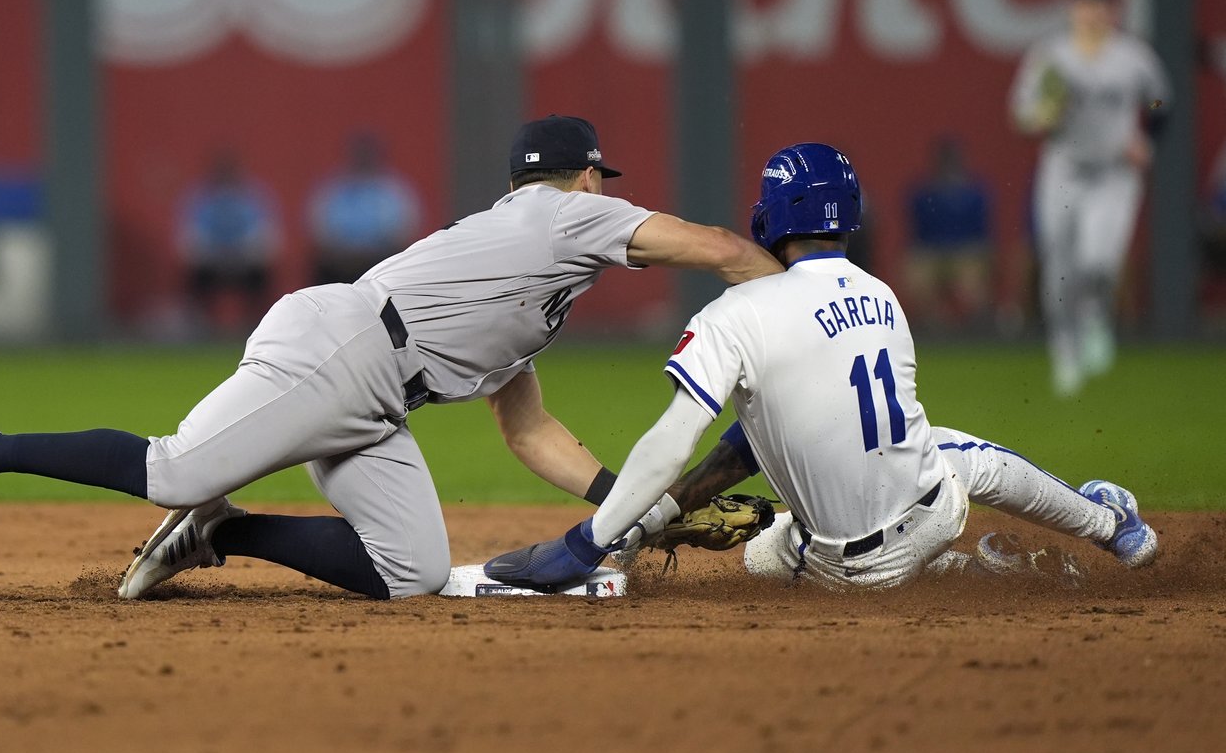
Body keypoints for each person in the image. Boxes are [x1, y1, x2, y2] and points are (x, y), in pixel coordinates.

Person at [0, 115, 782, 600]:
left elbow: (531, 429)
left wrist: (631, 505)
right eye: (597, 179)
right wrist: (795, 289)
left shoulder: (526, 278)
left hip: (378, 395)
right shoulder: (565, 215)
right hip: (342, 348)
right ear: (587, 176)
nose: (601, 195)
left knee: (409, 575)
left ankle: (222, 533)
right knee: (175, 466)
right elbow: (709, 243)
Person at [485, 143, 1157, 593]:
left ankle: (978, 563)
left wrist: (623, 527)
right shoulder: (883, 295)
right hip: (927, 516)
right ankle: (1111, 524)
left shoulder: (735, 311)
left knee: (765, 543)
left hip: (828, 569)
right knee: (952, 450)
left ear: (769, 214)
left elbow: (682, 437)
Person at [1009, 0, 1171, 397]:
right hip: (1064, 168)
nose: (1092, 11)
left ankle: (1096, 314)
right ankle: (1064, 350)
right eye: (1084, 3)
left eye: (1099, 3)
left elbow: (1159, 99)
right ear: (1071, 8)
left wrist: (1146, 139)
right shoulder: (1052, 56)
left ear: (1113, 9)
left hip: (1115, 173)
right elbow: (1023, 112)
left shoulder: (1132, 57)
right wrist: (1041, 114)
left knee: (1099, 262)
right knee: (1058, 266)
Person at [177, 152, 280, 330]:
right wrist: (216, 254)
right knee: (195, 277)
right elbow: (190, 236)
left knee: (261, 276)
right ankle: (200, 326)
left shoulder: (253, 198)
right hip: (211, 261)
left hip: (245, 260)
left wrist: (240, 254)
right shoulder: (200, 199)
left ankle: (257, 326)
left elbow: (265, 234)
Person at [308, 133, 421, 285]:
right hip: (341, 262)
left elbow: (405, 229)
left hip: (380, 259)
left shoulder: (395, 190)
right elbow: (320, 228)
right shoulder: (333, 189)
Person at [903, 137, 992, 329]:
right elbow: (916, 235)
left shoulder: (974, 193)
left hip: (965, 252)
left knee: (971, 277)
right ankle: (934, 329)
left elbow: (983, 236)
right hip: (932, 252)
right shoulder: (923, 193)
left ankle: (978, 329)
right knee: (919, 272)